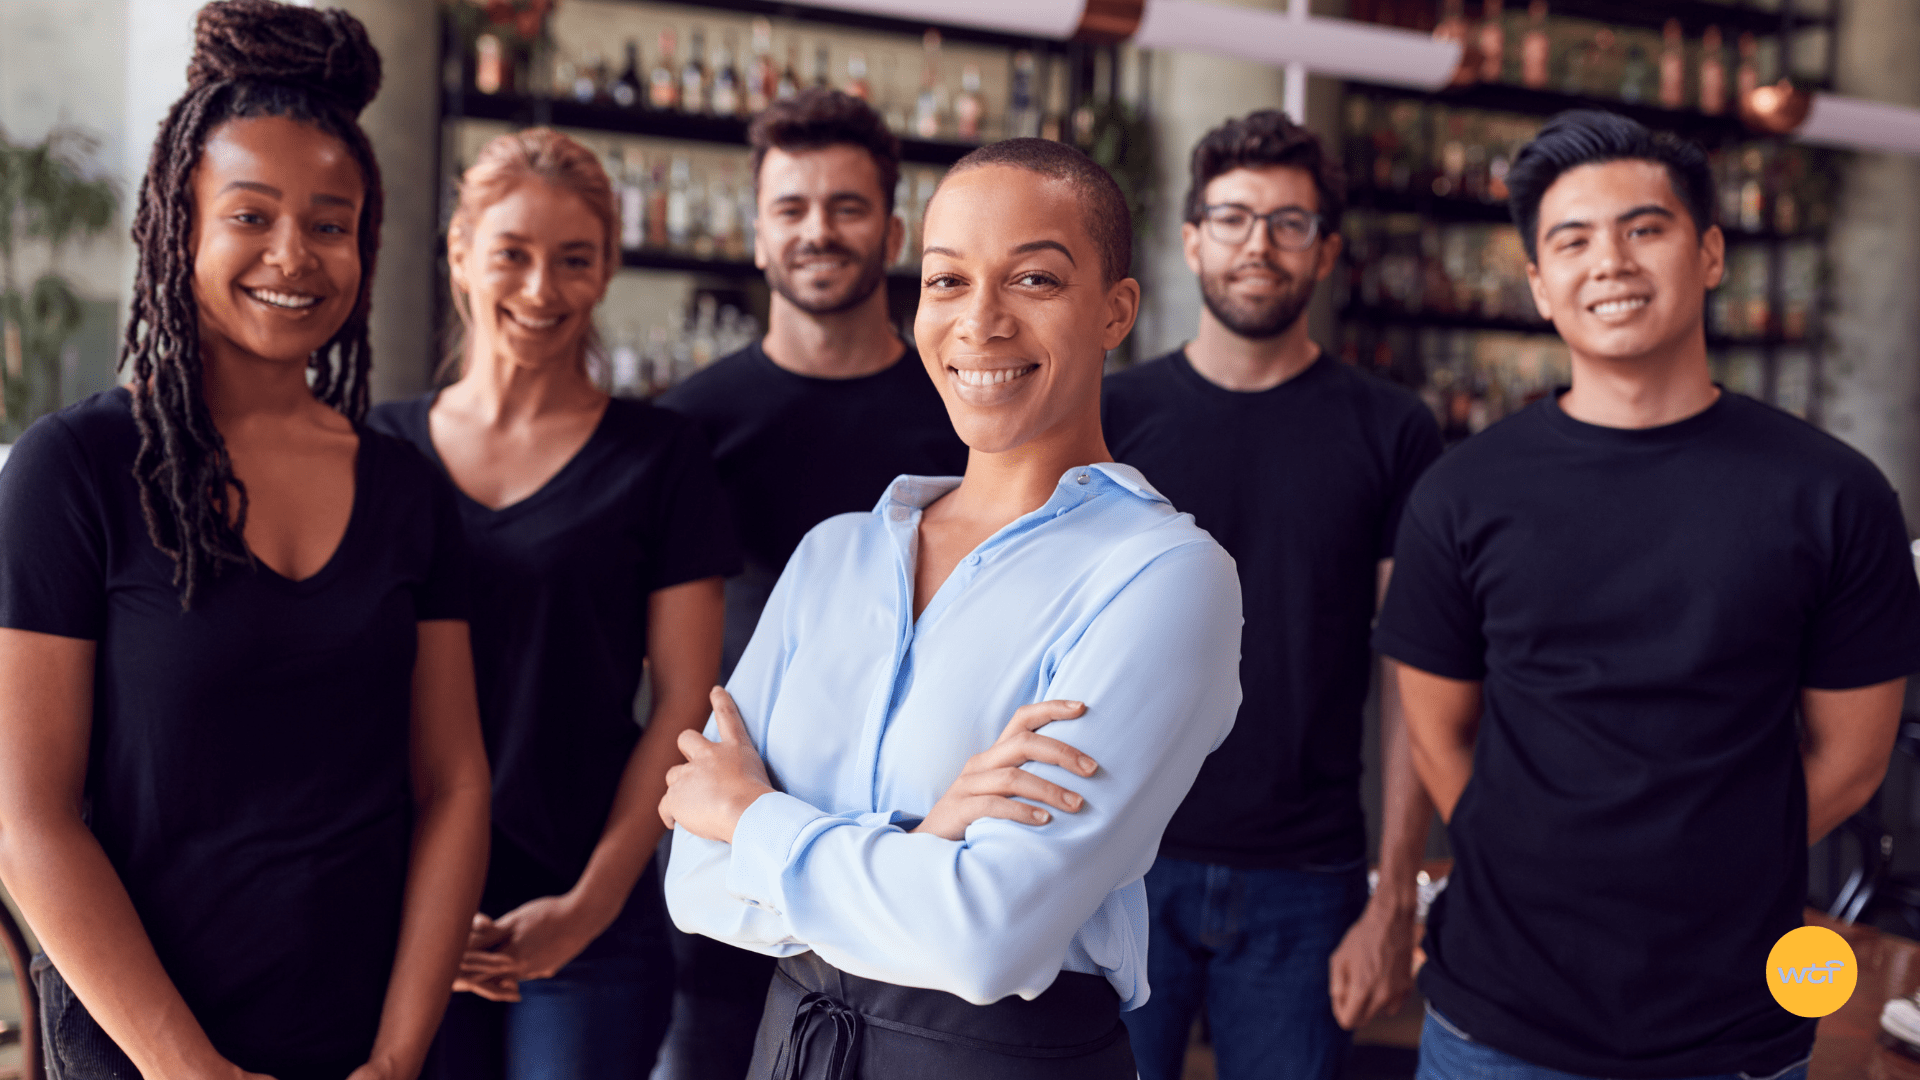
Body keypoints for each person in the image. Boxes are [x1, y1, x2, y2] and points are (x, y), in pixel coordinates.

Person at [658, 138, 1243, 1079]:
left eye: (1035, 280)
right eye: (945, 281)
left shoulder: (1166, 577)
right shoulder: (832, 556)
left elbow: (985, 938)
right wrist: (923, 845)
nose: (981, 322)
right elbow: (695, 880)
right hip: (795, 1048)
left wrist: (758, 821)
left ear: (1115, 312)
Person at [1374, 110, 1920, 1080]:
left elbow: (1853, 757)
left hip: (1730, 1029)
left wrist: (1706, 851)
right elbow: (1438, 734)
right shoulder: (1462, 495)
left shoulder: (1835, 495)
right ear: (1541, 288)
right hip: (1498, 1021)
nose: (1611, 262)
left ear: (1709, 253)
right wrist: (1543, 849)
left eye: (1645, 229)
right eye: (1572, 241)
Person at [0, 4, 490, 1079]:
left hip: (362, 1042)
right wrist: (191, 1071)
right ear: (179, 222)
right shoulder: (72, 470)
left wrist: (401, 1051)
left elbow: (452, 783)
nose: (292, 256)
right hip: (144, 1048)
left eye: (329, 223)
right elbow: (26, 814)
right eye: (251, 215)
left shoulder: (406, 488)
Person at [370, 128, 738, 1080]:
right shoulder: (373, 453)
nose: (541, 289)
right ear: (459, 253)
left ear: (608, 267)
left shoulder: (661, 458)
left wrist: (589, 905)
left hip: (592, 917)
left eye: (574, 260)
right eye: (513, 256)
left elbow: (685, 706)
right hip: (394, 908)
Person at [1103, 110, 1442, 1080]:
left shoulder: (1391, 430)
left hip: (1309, 871)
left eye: (1290, 222)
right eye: (1236, 217)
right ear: (1191, 238)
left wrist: (1395, 893)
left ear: (1326, 251)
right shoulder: (1111, 413)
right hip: (1121, 859)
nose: (1260, 243)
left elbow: (1413, 670)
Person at [654, 86, 966, 1074]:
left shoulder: (962, 415)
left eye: (846, 206)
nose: (818, 231)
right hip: (723, 838)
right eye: (791, 208)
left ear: (893, 228)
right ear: (756, 234)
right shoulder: (689, 425)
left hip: (911, 842)